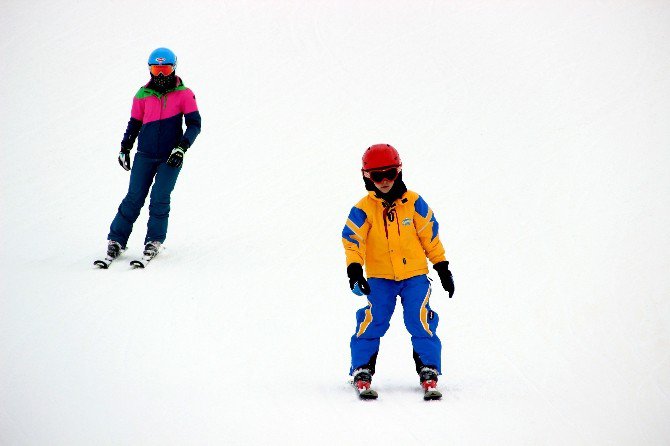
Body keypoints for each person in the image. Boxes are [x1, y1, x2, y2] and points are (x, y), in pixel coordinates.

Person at [341, 144, 455, 397]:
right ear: (366, 177)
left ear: (399, 171)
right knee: (373, 320)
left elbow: (430, 236)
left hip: (414, 276)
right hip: (380, 279)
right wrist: (355, 269)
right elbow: (353, 240)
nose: (384, 181)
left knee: (419, 319)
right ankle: (362, 368)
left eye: (389, 174)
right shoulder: (363, 209)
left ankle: (428, 368)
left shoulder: (414, 203)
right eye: (377, 176)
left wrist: (442, 266)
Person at [103, 47, 201, 262]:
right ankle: (116, 240)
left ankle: (154, 240)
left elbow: (195, 124)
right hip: (145, 155)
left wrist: (181, 147)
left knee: (159, 196)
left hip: (170, 156)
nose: (161, 75)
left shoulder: (184, 94)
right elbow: (134, 123)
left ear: (174, 68)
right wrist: (125, 148)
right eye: (156, 69)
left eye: (165, 70)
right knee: (134, 197)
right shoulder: (142, 94)